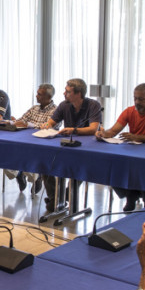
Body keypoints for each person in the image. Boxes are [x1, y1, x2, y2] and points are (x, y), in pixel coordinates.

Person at [95, 83, 145, 210]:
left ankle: (144, 199)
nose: (137, 102)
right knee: (112, 164)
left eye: (141, 99)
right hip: (133, 148)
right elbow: (113, 131)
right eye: (135, 98)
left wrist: (136, 137)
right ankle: (130, 194)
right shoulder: (129, 111)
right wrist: (102, 134)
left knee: (143, 166)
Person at [39, 79, 103, 212]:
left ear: (78, 94)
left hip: (87, 147)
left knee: (80, 165)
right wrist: (46, 125)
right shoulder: (64, 105)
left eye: (68, 92)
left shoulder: (93, 105)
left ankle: (65, 195)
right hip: (66, 144)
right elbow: (51, 122)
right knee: (45, 159)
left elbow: (93, 129)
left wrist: (74, 130)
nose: (64, 93)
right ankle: (55, 197)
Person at [5, 83, 58, 193]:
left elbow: (48, 126)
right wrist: (14, 121)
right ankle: (19, 174)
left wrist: (29, 125)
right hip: (24, 139)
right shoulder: (34, 108)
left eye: (39, 94)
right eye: (37, 93)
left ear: (48, 97)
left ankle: (37, 177)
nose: (36, 96)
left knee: (30, 157)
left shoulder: (56, 111)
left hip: (43, 144)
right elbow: (22, 120)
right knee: (8, 151)